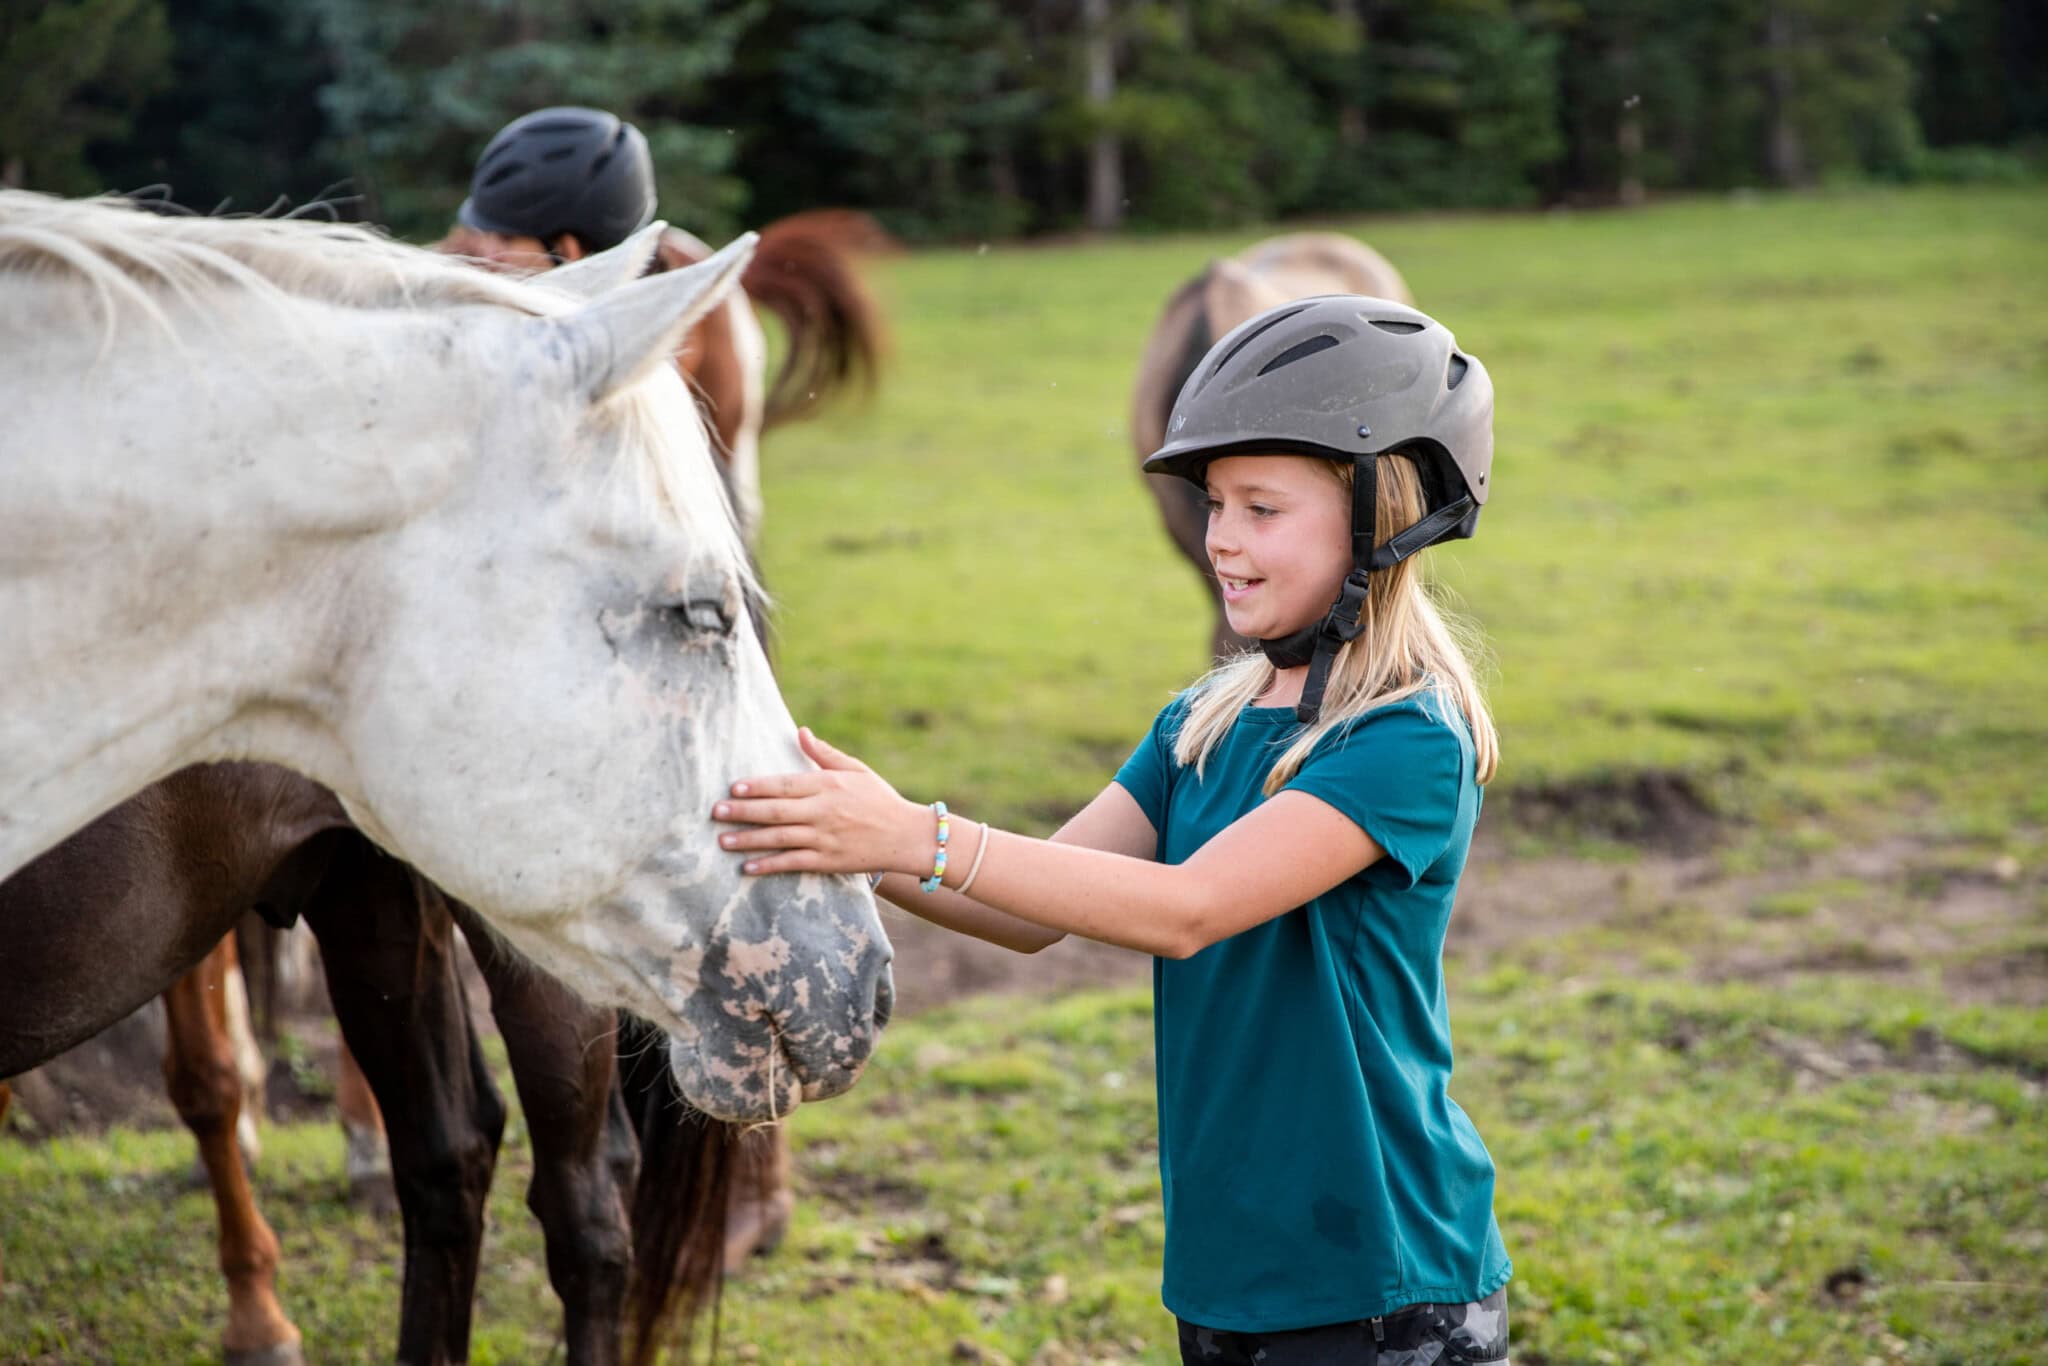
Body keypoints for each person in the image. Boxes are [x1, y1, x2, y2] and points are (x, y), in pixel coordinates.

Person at [713, 296, 1513, 1364]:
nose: (1218, 539)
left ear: (1380, 517)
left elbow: (1186, 911)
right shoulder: (1205, 719)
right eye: (1214, 504)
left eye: (1260, 508)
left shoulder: (1406, 741)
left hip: (1379, 1274)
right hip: (1230, 1265)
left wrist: (915, 834)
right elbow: (1029, 910)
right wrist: (840, 830)